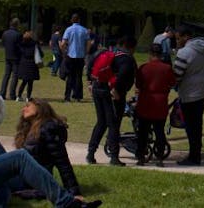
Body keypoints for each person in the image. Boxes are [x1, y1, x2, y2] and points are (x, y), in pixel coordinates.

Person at [12, 98, 82, 198]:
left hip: (31, 179)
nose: (23, 109)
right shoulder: (29, 128)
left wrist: (74, 192)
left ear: (39, 107)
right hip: (22, 175)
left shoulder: (49, 129)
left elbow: (62, 162)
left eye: (27, 106)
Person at [86, 35, 136, 166]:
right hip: (113, 93)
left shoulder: (105, 52)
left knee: (101, 122)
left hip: (97, 88)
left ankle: (90, 153)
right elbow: (124, 74)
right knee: (113, 123)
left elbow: (90, 64)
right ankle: (114, 156)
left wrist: (89, 82)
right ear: (130, 47)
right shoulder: (126, 58)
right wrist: (115, 89)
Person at [172, 23, 204, 166]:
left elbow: (177, 75)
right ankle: (196, 153)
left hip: (190, 92)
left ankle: (194, 156)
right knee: (198, 123)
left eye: (178, 39)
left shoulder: (184, 52)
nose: (177, 42)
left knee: (191, 126)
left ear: (186, 36)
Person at [135, 41, 176, 166]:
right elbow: (173, 83)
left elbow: (138, 84)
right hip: (160, 102)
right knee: (159, 131)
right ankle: (159, 157)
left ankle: (141, 156)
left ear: (150, 53)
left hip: (146, 101)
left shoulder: (144, 67)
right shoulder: (167, 68)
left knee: (143, 131)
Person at [61, 14, 90, 103]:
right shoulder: (84, 30)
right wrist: (86, 52)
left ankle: (67, 97)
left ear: (71, 20)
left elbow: (63, 43)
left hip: (70, 55)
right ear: (79, 20)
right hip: (80, 56)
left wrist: (64, 51)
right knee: (79, 76)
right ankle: (78, 96)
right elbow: (89, 43)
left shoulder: (68, 30)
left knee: (70, 77)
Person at [1, 18, 22, 100]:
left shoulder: (5, 33)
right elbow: (20, 46)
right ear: (17, 25)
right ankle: (12, 94)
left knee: (6, 75)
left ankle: (2, 93)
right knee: (15, 76)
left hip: (7, 56)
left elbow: (3, 43)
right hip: (16, 57)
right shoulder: (18, 34)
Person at [17, 31, 42, 101]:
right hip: (32, 64)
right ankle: (28, 97)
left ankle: (18, 96)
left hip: (23, 64)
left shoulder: (21, 44)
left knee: (24, 81)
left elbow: (18, 53)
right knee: (30, 82)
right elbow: (41, 54)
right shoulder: (34, 44)